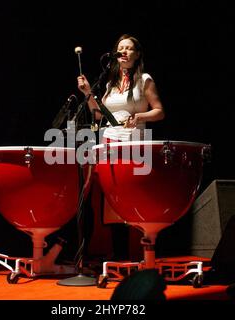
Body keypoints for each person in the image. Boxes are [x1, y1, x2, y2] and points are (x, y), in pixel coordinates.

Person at [77, 34, 165, 261]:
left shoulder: (144, 79)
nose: (123, 52)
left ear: (137, 55)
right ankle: (118, 258)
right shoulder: (109, 85)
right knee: (111, 200)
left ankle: (142, 255)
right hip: (109, 142)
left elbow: (159, 111)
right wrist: (88, 93)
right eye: (120, 48)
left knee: (130, 196)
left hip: (133, 143)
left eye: (128, 48)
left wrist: (140, 116)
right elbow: (98, 114)